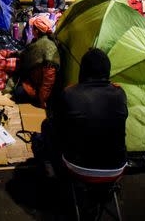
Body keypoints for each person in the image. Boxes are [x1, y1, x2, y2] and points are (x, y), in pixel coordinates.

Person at [42, 49, 128, 178]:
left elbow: (57, 125)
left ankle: (51, 168)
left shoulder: (70, 93)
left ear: (82, 70)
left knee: (47, 125)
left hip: (78, 166)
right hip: (117, 167)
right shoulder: (120, 93)